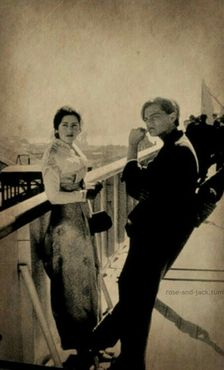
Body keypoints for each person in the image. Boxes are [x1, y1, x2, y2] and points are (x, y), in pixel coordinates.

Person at [90, 97, 200, 370]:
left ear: (173, 115)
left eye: (154, 116)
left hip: (156, 238)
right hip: (161, 236)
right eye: (146, 119)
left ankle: (118, 352)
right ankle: (123, 353)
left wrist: (131, 147)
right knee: (135, 293)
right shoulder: (175, 146)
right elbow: (148, 185)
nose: (148, 123)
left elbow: (136, 186)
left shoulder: (177, 152)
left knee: (134, 293)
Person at [41, 106, 102, 366]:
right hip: (65, 226)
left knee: (87, 282)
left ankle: (90, 344)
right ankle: (80, 350)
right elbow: (53, 196)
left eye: (74, 125)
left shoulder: (72, 148)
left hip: (80, 221)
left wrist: (85, 188)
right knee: (72, 288)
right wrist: (82, 195)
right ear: (56, 127)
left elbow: (76, 178)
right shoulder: (52, 154)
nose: (70, 129)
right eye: (65, 125)